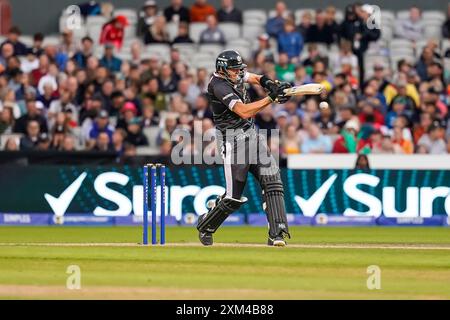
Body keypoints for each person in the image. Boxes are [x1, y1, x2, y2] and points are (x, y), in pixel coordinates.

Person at [196, 50, 293, 247]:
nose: (239, 73)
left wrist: (269, 83)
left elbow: (255, 77)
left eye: (240, 69)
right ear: (223, 70)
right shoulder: (218, 85)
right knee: (233, 197)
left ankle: (277, 232)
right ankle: (206, 224)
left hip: (252, 136)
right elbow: (243, 110)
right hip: (232, 141)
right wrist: (270, 99)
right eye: (234, 69)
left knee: (272, 181)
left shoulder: (235, 75)